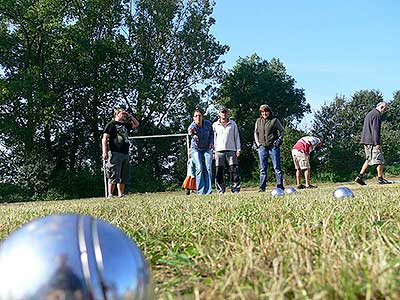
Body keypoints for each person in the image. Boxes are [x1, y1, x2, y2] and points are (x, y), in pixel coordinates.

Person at [102, 108, 139, 198]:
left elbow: (136, 124)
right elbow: (104, 139)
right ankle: (110, 194)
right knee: (114, 174)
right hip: (114, 152)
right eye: (122, 114)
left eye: (124, 114)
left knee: (123, 175)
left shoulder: (125, 125)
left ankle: (120, 194)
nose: (124, 115)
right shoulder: (111, 124)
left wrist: (130, 116)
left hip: (125, 153)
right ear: (116, 114)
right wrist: (105, 152)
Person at [355, 101, 392, 185]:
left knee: (368, 159)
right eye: (385, 109)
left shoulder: (370, 113)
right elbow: (375, 130)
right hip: (372, 141)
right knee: (380, 160)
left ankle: (359, 177)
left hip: (366, 140)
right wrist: (377, 143)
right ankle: (380, 179)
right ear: (382, 107)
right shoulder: (377, 115)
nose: (384, 111)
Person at [254, 104, 285, 192]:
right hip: (262, 147)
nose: (264, 113)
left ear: (269, 111)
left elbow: (282, 131)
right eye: (262, 112)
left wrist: (279, 139)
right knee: (262, 168)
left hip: (273, 146)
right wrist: (258, 144)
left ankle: (280, 187)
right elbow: (255, 132)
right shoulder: (258, 121)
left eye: (266, 111)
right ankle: (262, 187)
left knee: (277, 168)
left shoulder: (274, 120)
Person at [212, 107, 241, 194]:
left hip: (231, 149)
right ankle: (220, 190)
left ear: (228, 113)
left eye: (225, 112)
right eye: (222, 112)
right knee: (219, 171)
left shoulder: (233, 124)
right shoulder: (215, 125)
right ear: (219, 114)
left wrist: (238, 149)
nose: (224, 114)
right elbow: (213, 139)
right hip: (218, 151)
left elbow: (237, 137)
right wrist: (213, 151)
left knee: (234, 170)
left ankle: (235, 189)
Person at [188, 109, 214, 194]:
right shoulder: (193, 126)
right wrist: (192, 132)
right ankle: (201, 191)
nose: (198, 117)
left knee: (208, 167)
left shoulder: (208, 124)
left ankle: (208, 191)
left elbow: (212, 134)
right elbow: (190, 132)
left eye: (199, 116)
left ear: (202, 117)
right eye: (196, 116)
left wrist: (211, 143)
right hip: (196, 149)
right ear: (193, 118)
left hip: (207, 148)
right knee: (199, 167)